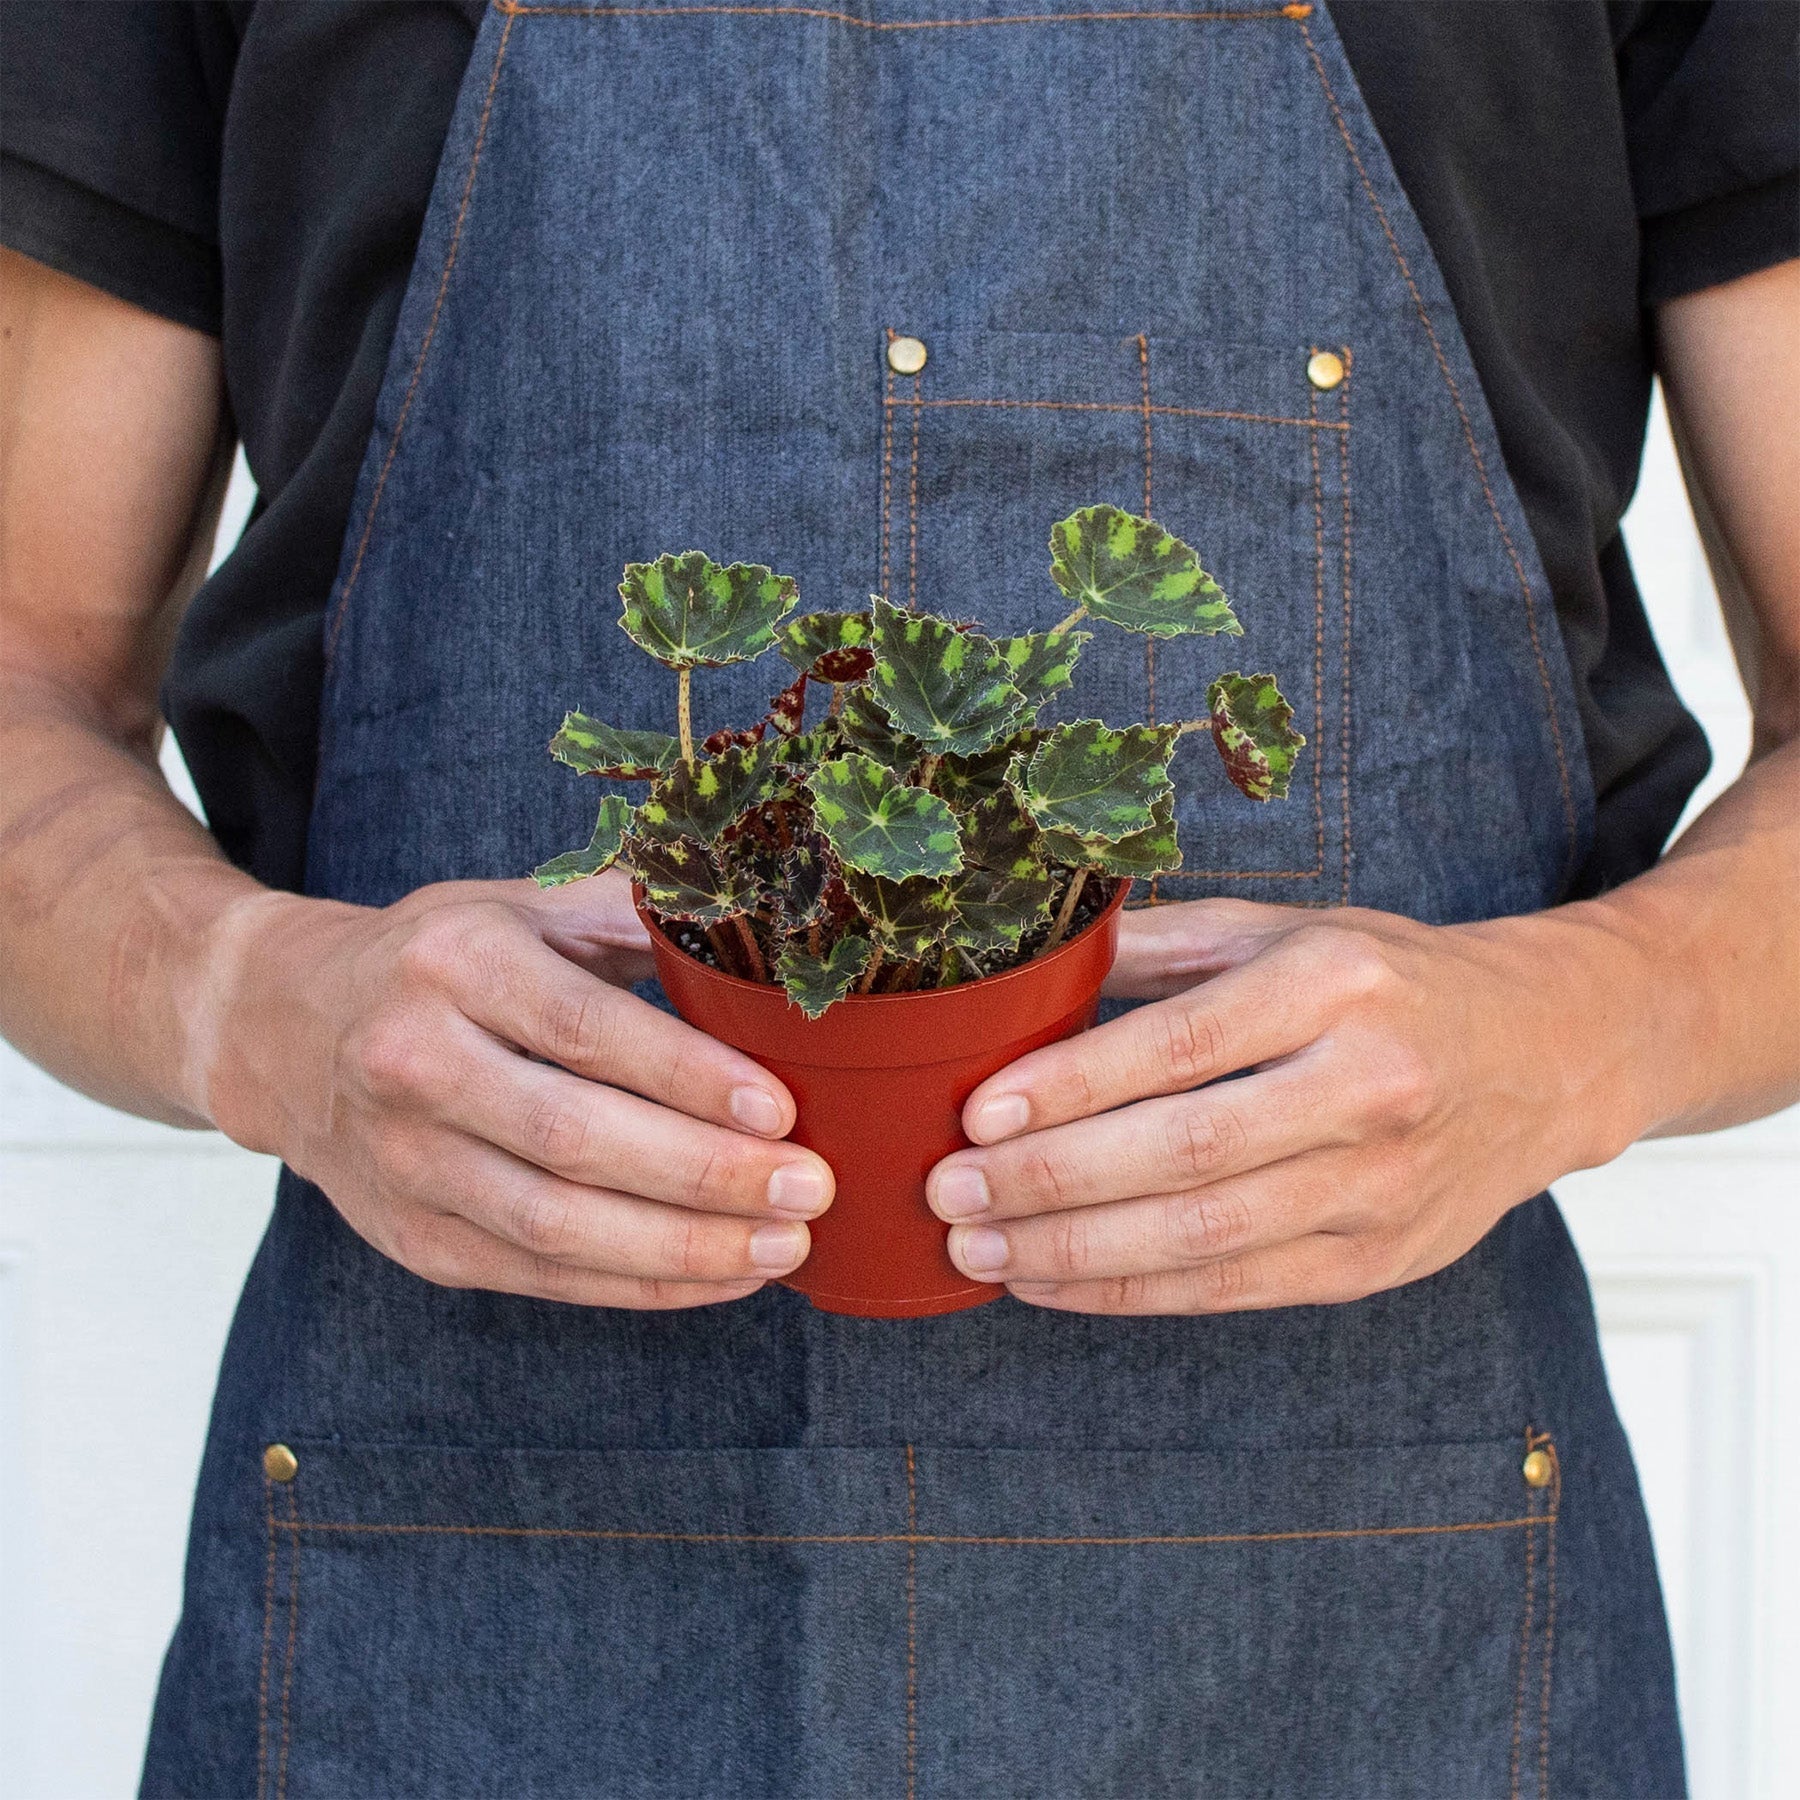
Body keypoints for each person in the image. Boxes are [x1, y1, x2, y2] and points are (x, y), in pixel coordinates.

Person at [2, 0, 1795, 1791]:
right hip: (458, 1571)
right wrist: (248, 1005)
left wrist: (1585, 1028)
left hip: (1386, 1610)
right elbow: (30, 671)